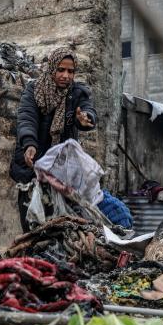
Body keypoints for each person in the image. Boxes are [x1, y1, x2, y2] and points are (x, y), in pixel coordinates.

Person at [9, 47, 97, 232]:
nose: (65, 75)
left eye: (70, 71)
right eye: (61, 70)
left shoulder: (77, 93)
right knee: (32, 221)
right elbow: (27, 118)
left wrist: (86, 118)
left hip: (61, 169)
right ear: (52, 68)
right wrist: (29, 144)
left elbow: (87, 110)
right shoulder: (34, 90)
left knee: (62, 222)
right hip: (32, 164)